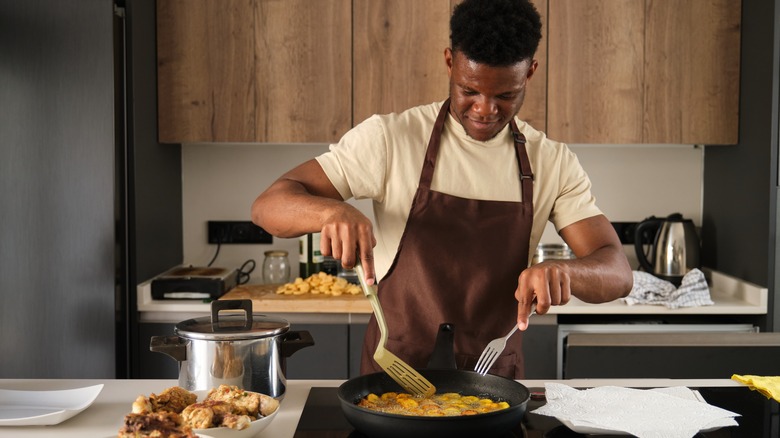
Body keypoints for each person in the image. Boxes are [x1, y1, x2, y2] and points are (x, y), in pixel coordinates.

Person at [251, 0, 633, 379]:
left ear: (529, 73)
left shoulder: (551, 161)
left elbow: (617, 271)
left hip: (493, 386)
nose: (485, 109)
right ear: (450, 62)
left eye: (505, 96)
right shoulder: (391, 139)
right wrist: (329, 212)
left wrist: (565, 271)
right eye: (469, 90)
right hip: (394, 381)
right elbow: (269, 205)